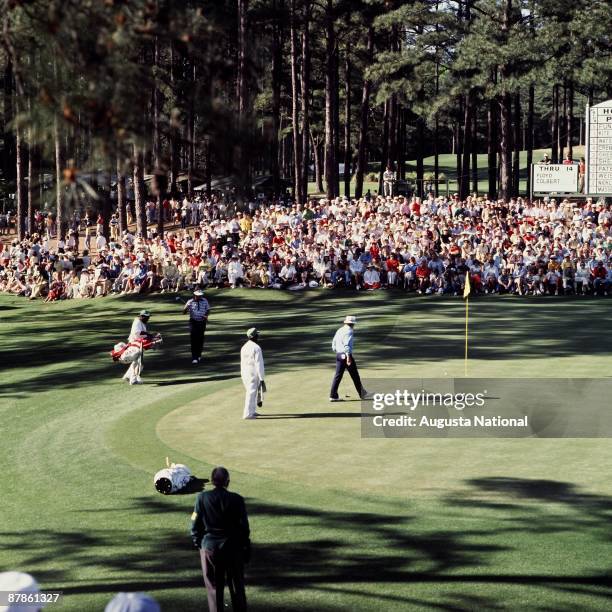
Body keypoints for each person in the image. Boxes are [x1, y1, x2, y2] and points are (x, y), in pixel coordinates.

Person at [191, 466, 250, 612]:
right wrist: (244, 546)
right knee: (237, 586)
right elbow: (244, 528)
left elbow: (194, 524)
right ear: (227, 482)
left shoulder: (201, 498)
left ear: (211, 481)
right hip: (233, 549)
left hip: (210, 548)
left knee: (213, 587)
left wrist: (199, 543)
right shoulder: (237, 499)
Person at [329, 315, 366, 401]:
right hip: (346, 355)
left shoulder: (340, 330)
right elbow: (347, 345)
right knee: (355, 375)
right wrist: (348, 357)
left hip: (339, 355)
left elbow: (333, 344)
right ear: (353, 324)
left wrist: (338, 352)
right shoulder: (349, 331)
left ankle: (333, 395)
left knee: (337, 376)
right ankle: (363, 394)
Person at [240, 328, 265, 420]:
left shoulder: (244, 347)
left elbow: (242, 362)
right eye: (257, 335)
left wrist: (242, 374)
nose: (258, 336)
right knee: (251, 393)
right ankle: (247, 414)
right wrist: (262, 377)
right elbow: (259, 363)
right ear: (254, 336)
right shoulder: (256, 347)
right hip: (253, 373)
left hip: (245, 373)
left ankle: (252, 411)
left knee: (252, 392)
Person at [123, 309, 152, 385]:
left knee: (136, 361)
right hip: (135, 344)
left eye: (148, 317)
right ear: (141, 316)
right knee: (138, 362)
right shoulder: (137, 322)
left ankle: (127, 376)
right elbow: (137, 333)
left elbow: (142, 333)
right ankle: (133, 380)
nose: (148, 319)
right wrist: (148, 335)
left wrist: (149, 336)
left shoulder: (141, 322)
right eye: (146, 317)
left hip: (138, 344)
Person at [183, 290, 210, 364]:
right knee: (194, 339)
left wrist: (206, 315)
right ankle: (194, 357)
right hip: (193, 322)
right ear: (194, 295)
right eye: (198, 295)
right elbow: (184, 312)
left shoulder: (205, 300)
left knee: (200, 339)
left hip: (202, 322)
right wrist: (186, 308)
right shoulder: (190, 302)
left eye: (201, 295)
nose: (200, 296)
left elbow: (208, 309)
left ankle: (199, 355)